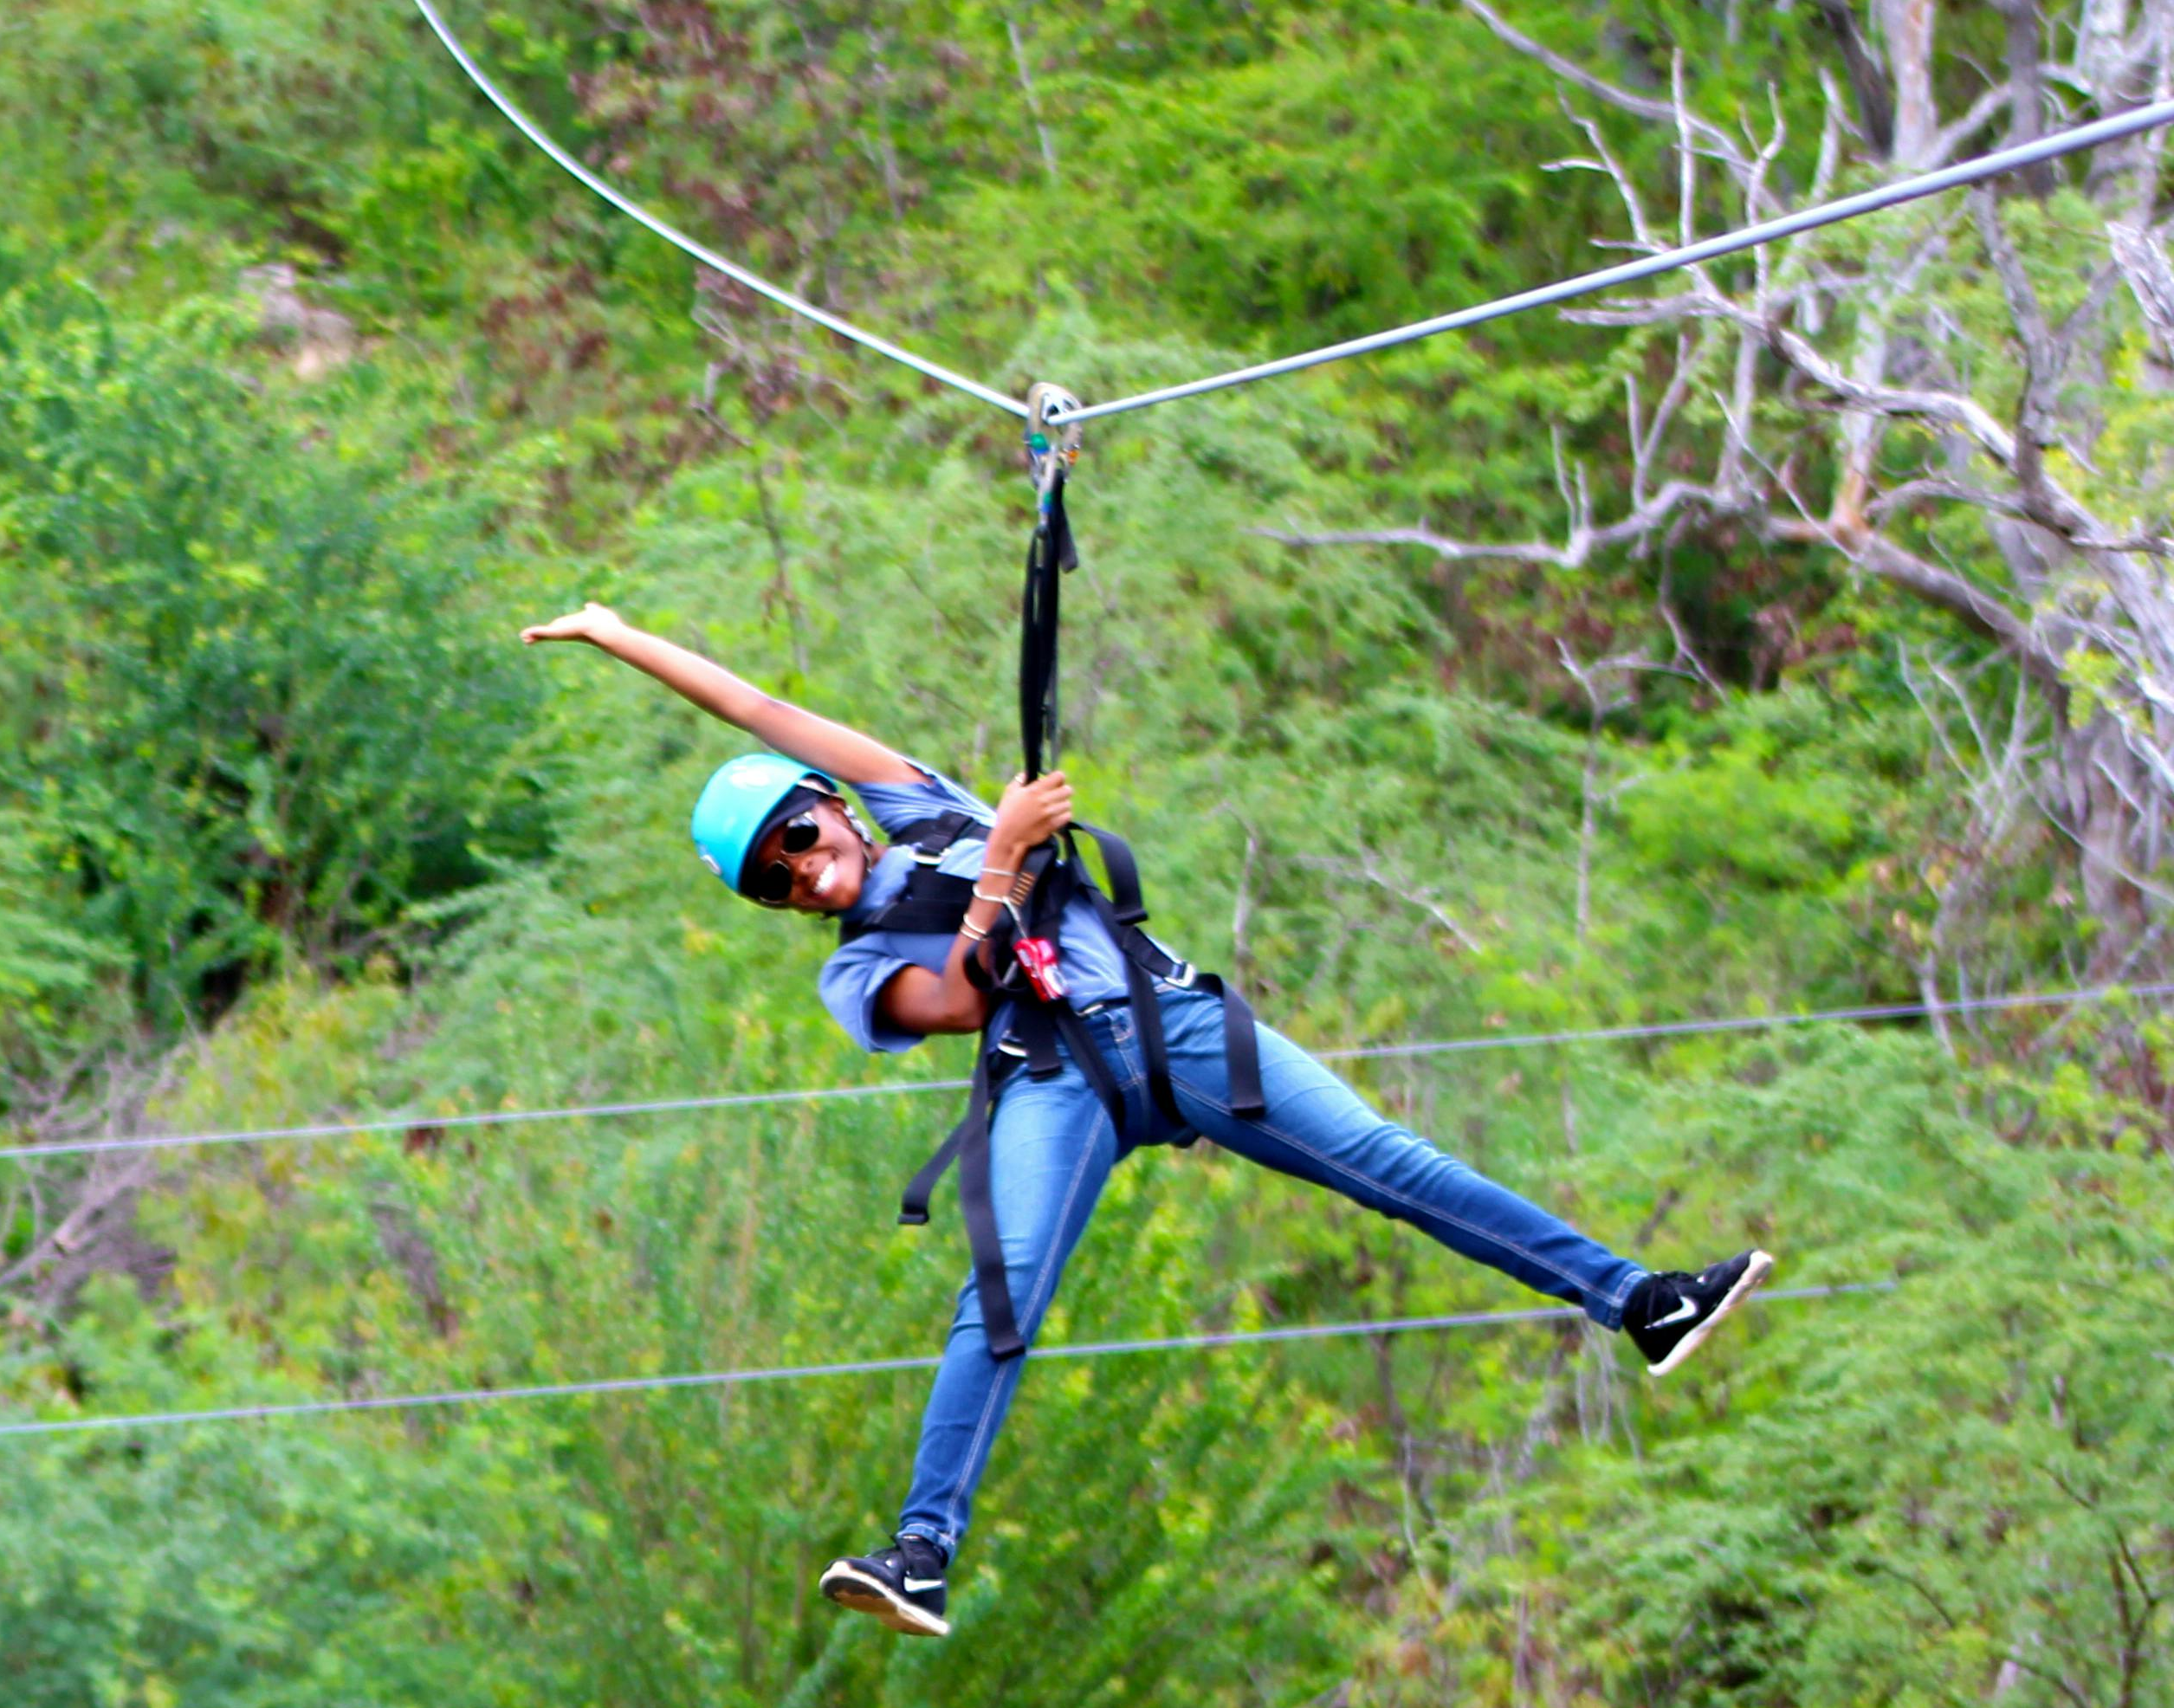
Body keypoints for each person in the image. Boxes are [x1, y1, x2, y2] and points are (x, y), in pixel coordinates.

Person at [521, 602, 1771, 1641]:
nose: (800, 872)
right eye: (772, 882)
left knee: (1394, 1163)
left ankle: (1638, 1300)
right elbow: (960, 994)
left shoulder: (924, 804)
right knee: (998, 1298)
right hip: (1052, 1081)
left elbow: (754, 707)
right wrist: (1007, 859)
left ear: (829, 803)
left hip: (1173, 1028)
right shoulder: (853, 971)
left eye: (796, 837)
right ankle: (920, 1550)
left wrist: (618, 634)